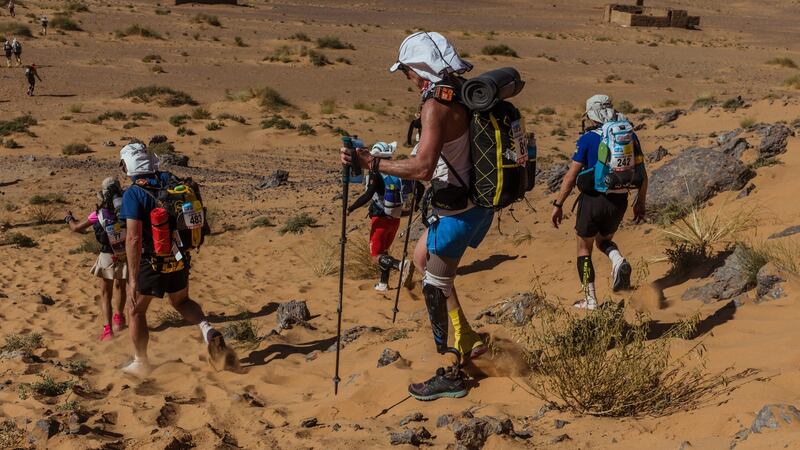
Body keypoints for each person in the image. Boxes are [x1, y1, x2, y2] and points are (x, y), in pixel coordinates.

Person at [342, 31, 491, 401]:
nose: (407, 78)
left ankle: (453, 371)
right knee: (421, 259)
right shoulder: (462, 91)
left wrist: (371, 163)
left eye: (407, 71)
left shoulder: (435, 106)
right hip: (477, 204)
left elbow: (423, 168)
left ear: (420, 69)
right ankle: (469, 339)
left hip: (455, 213)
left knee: (434, 287)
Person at [118, 141, 236, 377]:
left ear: (128, 165)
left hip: (151, 261)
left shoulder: (133, 193)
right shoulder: (169, 180)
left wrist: (132, 279)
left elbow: (133, 238)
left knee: (136, 311)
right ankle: (208, 331)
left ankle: (141, 362)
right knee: (181, 301)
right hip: (179, 256)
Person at [551, 95, 648, 310]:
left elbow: (570, 177)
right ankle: (617, 260)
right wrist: (640, 203)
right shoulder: (629, 135)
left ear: (591, 116)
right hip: (619, 200)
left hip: (593, 201)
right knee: (603, 241)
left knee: (584, 249)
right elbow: (643, 174)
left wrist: (558, 204)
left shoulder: (588, 139)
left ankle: (590, 299)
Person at [65, 177, 128, 341]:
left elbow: (76, 228)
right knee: (121, 287)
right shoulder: (127, 208)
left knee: (106, 293)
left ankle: (108, 330)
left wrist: (69, 219)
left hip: (107, 255)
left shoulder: (99, 213)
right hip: (125, 253)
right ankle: (119, 319)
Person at [347, 141, 413, 291]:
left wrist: (351, 208)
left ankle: (401, 265)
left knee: (375, 255)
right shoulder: (397, 171)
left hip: (381, 218)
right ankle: (383, 283)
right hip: (395, 217)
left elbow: (368, 195)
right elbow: (419, 187)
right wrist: (414, 207)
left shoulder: (376, 174)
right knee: (384, 251)